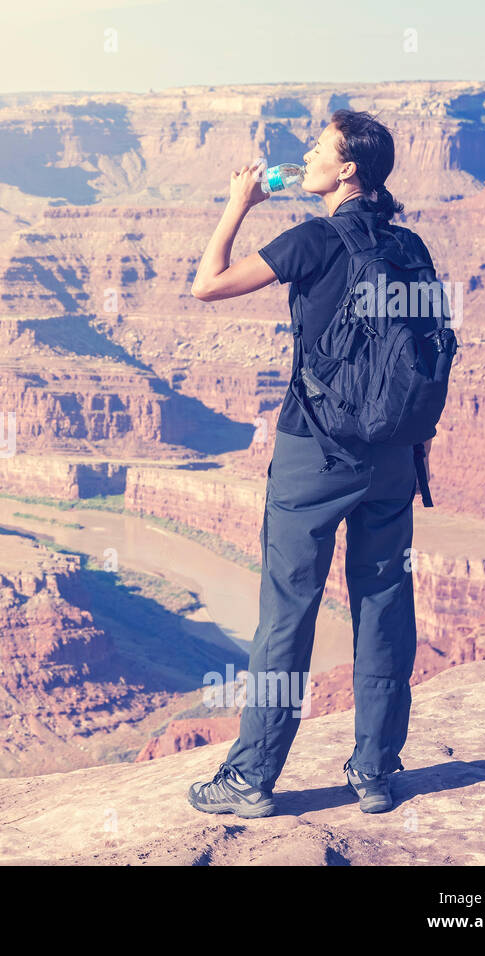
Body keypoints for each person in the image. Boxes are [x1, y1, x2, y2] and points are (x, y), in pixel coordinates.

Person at [185, 110, 434, 816]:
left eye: (319, 149)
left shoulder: (313, 240)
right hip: (393, 455)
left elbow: (207, 284)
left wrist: (239, 202)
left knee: (286, 615)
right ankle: (377, 773)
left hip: (314, 451)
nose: (308, 158)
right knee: (384, 606)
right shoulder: (411, 246)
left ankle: (251, 778)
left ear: (347, 168)